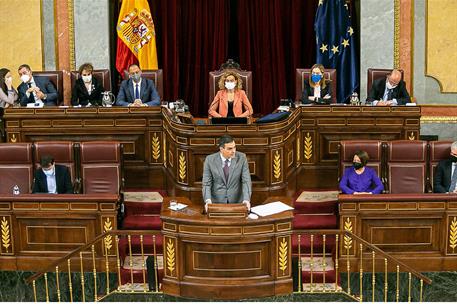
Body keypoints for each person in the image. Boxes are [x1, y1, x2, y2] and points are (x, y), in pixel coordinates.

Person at [202, 134, 252, 212]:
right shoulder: (209, 160)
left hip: (237, 203)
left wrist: (246, 200)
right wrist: (208, 201)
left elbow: (246, 181)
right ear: (221, 149)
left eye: (234, 147)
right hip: (216, 204)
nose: (234, 151)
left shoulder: (242, 158)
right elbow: (206, 183)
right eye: (230, 149)